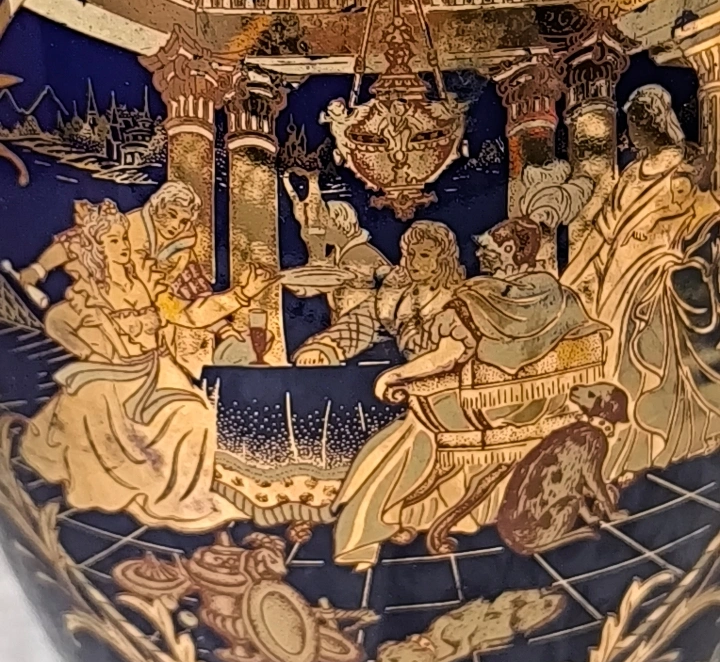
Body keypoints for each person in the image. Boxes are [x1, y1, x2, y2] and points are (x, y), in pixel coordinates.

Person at [332, 216, 605, 570]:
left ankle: (363, 534)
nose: (480, 255)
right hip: (533, 403)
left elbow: (447, 355)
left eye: (488, 249)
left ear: (509, 250)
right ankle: (393, 515)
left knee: (409, 436)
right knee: (401, 433)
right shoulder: (553, 293)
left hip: (483, 407)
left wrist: (395, 376)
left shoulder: (482, 296)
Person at [20, 199, 273, 530]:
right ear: (97, 247)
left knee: (196, 412)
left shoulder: (147, 282)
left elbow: (188, 314)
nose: (123, 246)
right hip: (113, 376)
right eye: (114, 240)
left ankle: (181, 499)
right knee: (98, 410)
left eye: (124, 239)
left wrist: (239, 295)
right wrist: (94, 349)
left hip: (155, 371)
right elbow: (58, 320)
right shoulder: (91, 292)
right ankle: (133, 491)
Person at [562, 85, 720, 475]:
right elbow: (602, 233)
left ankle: (671, 440)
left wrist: (675, 255)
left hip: (659, 278)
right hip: (618, 278)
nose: (631, 134)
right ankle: (627, 443)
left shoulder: (686, 167)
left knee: (653, 360)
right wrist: (568, 281)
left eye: (635, 124)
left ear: (653, 124)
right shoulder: (633, 173)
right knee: (615, 358)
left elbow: (706, 217)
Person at [17, 181, 229, 377]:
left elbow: (193, 290)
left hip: (150, 322)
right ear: (156, 207)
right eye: (171, 214)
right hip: (105, 305)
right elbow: (75, 242)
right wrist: (38, 269)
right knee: (59, 321)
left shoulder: (182, 250)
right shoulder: (126, 227)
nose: (175, 225)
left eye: (183, 221)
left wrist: (222, 327)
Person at [289, 200, 391, 366]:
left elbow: (395, 288)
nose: (321, 226)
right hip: (344, 335)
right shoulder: (335, 256)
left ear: (340, 223)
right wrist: (312, 243)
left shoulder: (363, 255)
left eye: (325, 221)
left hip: (370, 339)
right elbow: (309, 286)